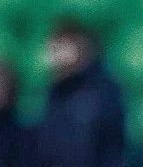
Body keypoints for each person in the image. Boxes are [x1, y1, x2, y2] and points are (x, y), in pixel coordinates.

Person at [35, 22, 125, 167]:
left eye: (60, 46)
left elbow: (113, 147)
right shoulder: (53, 92)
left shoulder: (105, 89)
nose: (55, 55)